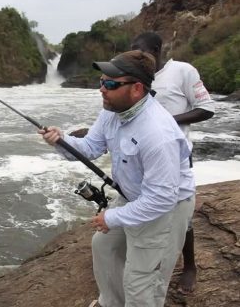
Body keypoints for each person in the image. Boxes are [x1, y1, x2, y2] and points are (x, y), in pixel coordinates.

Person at [39, 50, 195, 307]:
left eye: (110, 84)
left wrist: (111, 216)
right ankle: (111, 303)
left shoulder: (158, 133)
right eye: (101, 82)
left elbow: (161, 199)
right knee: (104, 246)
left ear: (136, 89)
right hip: (134, 196)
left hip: (166, 208)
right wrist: (62, 140)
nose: (102, 89)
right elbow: (90, 147)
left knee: (142, 281)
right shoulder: (112, 111)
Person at [131, 31, 215, 294]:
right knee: (144, 207)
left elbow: (207, 108)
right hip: (143, 157)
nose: (138, 58)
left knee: (181, 213)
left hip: (175, 156)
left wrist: (168, 121)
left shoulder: (183, 71)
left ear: (157, 50)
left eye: (142, 53)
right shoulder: (137, 76)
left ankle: (189, 266)